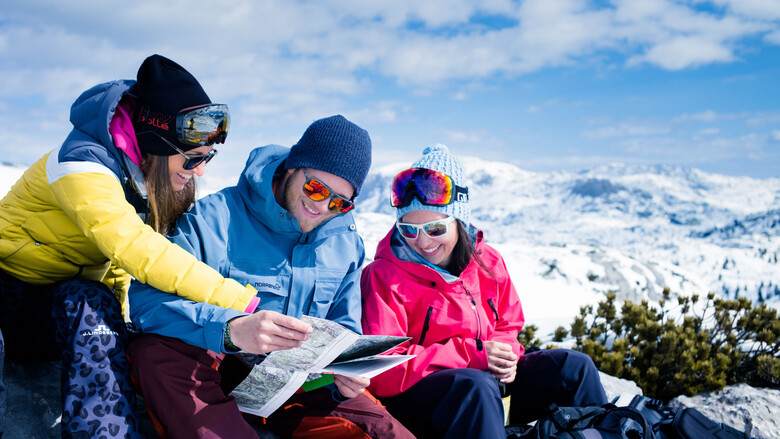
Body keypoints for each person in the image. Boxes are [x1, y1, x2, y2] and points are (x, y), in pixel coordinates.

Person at [0, 54, 258, 438]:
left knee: (93, 302)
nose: (200, 172)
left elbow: (117, 269)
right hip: (8, 291)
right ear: (156, 143)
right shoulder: (80, 165)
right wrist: (242, 303)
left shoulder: (139, 176)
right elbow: (134, 247)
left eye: (207, 158)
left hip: (51, 310)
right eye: (192, 160)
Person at [127, 115, 414, 439]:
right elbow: (146, 299)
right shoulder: (216, 218)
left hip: (296, 391)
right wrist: (229, 329)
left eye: (339, 203)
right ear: (292, 167)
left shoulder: (345, 243)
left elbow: (344, 329)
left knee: (386, 432)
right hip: (213, 371)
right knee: (154, 353)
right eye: (316, 188)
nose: (322, 207)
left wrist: (344, 377)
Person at [360, 144, 609, 439]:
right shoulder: (384, 276)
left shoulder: (487, 260)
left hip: (489, 386)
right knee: (475, 385)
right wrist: (472, 356)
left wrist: (507, 354)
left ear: (459, 220)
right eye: (409, 230)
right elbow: (383, 369)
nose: (423, 242)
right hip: (423, 401)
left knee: (573, 368)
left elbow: (508, 321)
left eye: (436, 229)